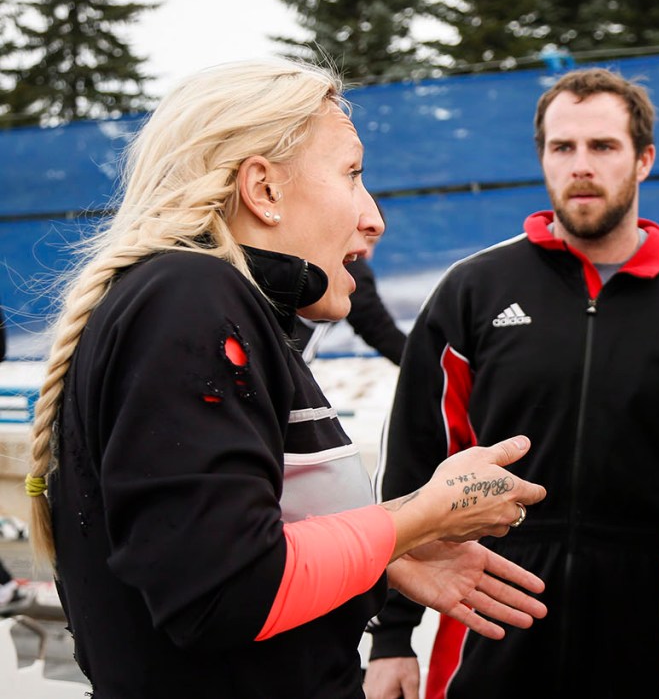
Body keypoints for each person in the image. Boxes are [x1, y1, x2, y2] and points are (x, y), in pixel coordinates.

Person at [22, 58, 551, 699]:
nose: (374, 217)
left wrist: (388, 548)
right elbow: (222, 593)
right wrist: (418, 515)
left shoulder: (212, 304)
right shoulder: (189, 298)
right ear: (263, 190)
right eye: (352, 174)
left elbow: (239, 546)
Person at [364, 67, 659, 699]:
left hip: (640, 621)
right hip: (487, 603)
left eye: (603, 147)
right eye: (563, 148)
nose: (581, 165)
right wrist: (392, 637)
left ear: (644, 160)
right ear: (543, 159)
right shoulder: (474, 291)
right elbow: (413, 464)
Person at [294, 228, 408, 364]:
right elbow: (378, 328)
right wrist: (424, 364)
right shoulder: (351, 270)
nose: (368, 254)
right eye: (368, 241)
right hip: (287, 364)